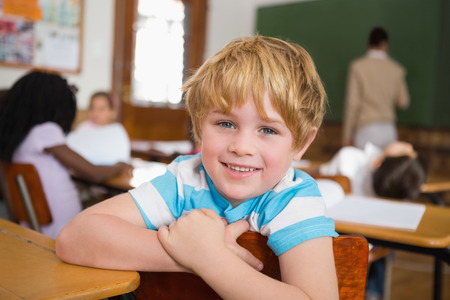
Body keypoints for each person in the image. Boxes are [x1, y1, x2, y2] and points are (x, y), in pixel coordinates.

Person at [56, 36, 339, 299]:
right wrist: (192, 254)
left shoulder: (292, 199)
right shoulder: (186, 180)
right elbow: (73, 239)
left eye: (267, 130)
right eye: (226, 124)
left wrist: (210, 258)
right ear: (199, 128)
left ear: (301, 143)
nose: (241, 147)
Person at [0, 70, 132, 239]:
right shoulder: (45, 131)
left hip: (33, 227)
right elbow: (94, 174)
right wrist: (119, 166)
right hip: (65, 230)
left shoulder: (17, 137)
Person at [316, 141, 427, 300]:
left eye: (407, 151)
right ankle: (374, 293)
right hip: (362, 245)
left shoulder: (349, 158)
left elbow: (321, 175)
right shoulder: (396, 188)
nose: (410, 146)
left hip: (332, 241)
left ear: (378, 162)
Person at [342, 27, 410, 149]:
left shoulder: (358, 67)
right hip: (389, 130)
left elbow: (352, 104)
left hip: (366, 130)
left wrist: (347, 135)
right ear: (385, 45)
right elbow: (403, 102)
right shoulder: (396, 69)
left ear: (368, 44)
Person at [67, 91, 131, 165]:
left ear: (113, 112)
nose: (95, 112)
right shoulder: (83, 127)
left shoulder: (116, 131)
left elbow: (121, 156)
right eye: (92, 108)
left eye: (101, 109)